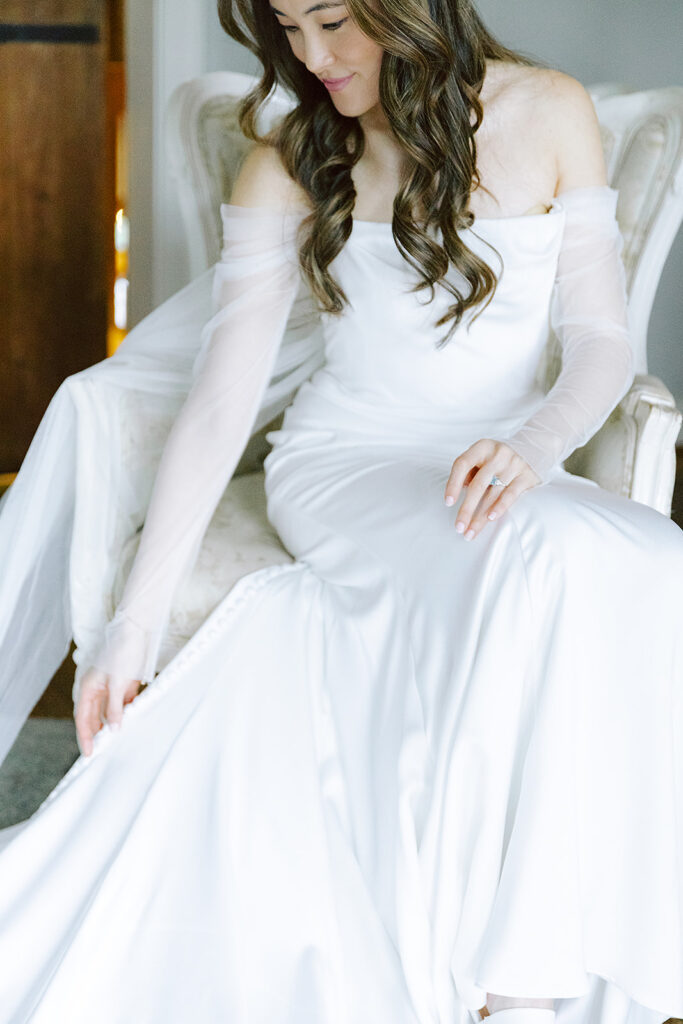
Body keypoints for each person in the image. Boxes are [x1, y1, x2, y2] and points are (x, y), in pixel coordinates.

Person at [0, 0, 681, 1021]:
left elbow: (598, 340)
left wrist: (535, 445)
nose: (313, 59)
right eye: (289, 29)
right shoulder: (287, 160)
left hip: (499, 460)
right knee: (531, 556)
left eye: (333, 23)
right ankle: (512, 981)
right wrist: (131, 625)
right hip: (343, 459)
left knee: (644, 553)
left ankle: (549, 941)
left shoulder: (551, 112)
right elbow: (221, 401)